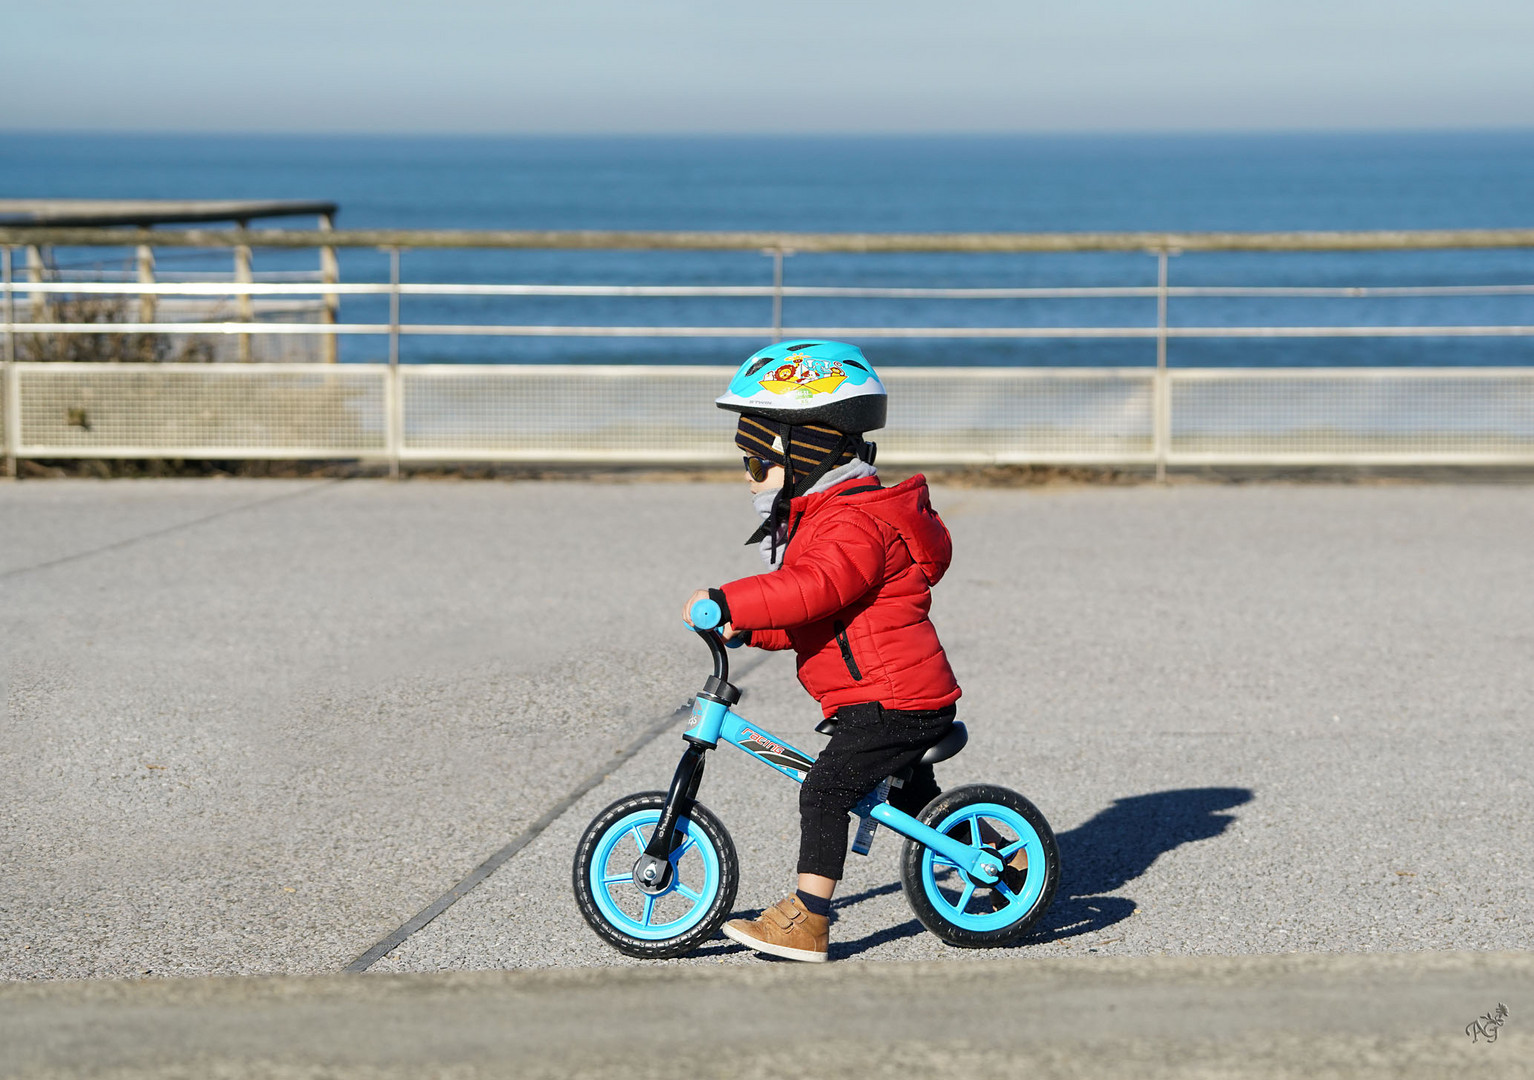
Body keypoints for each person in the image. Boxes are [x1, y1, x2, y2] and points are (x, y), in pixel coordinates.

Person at [681, 340, 1024, 963]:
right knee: (915, 798)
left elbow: (815, 587)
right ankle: (1008, 859)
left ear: (802, 452)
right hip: (886, 696)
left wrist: (730, 599)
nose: (750, 479)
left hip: (894, 701)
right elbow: (819, 617)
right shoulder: (830, 517)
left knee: (825, 789)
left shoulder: (851, 524)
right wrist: (751, 629)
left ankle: (808, 918)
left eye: (757, 464)